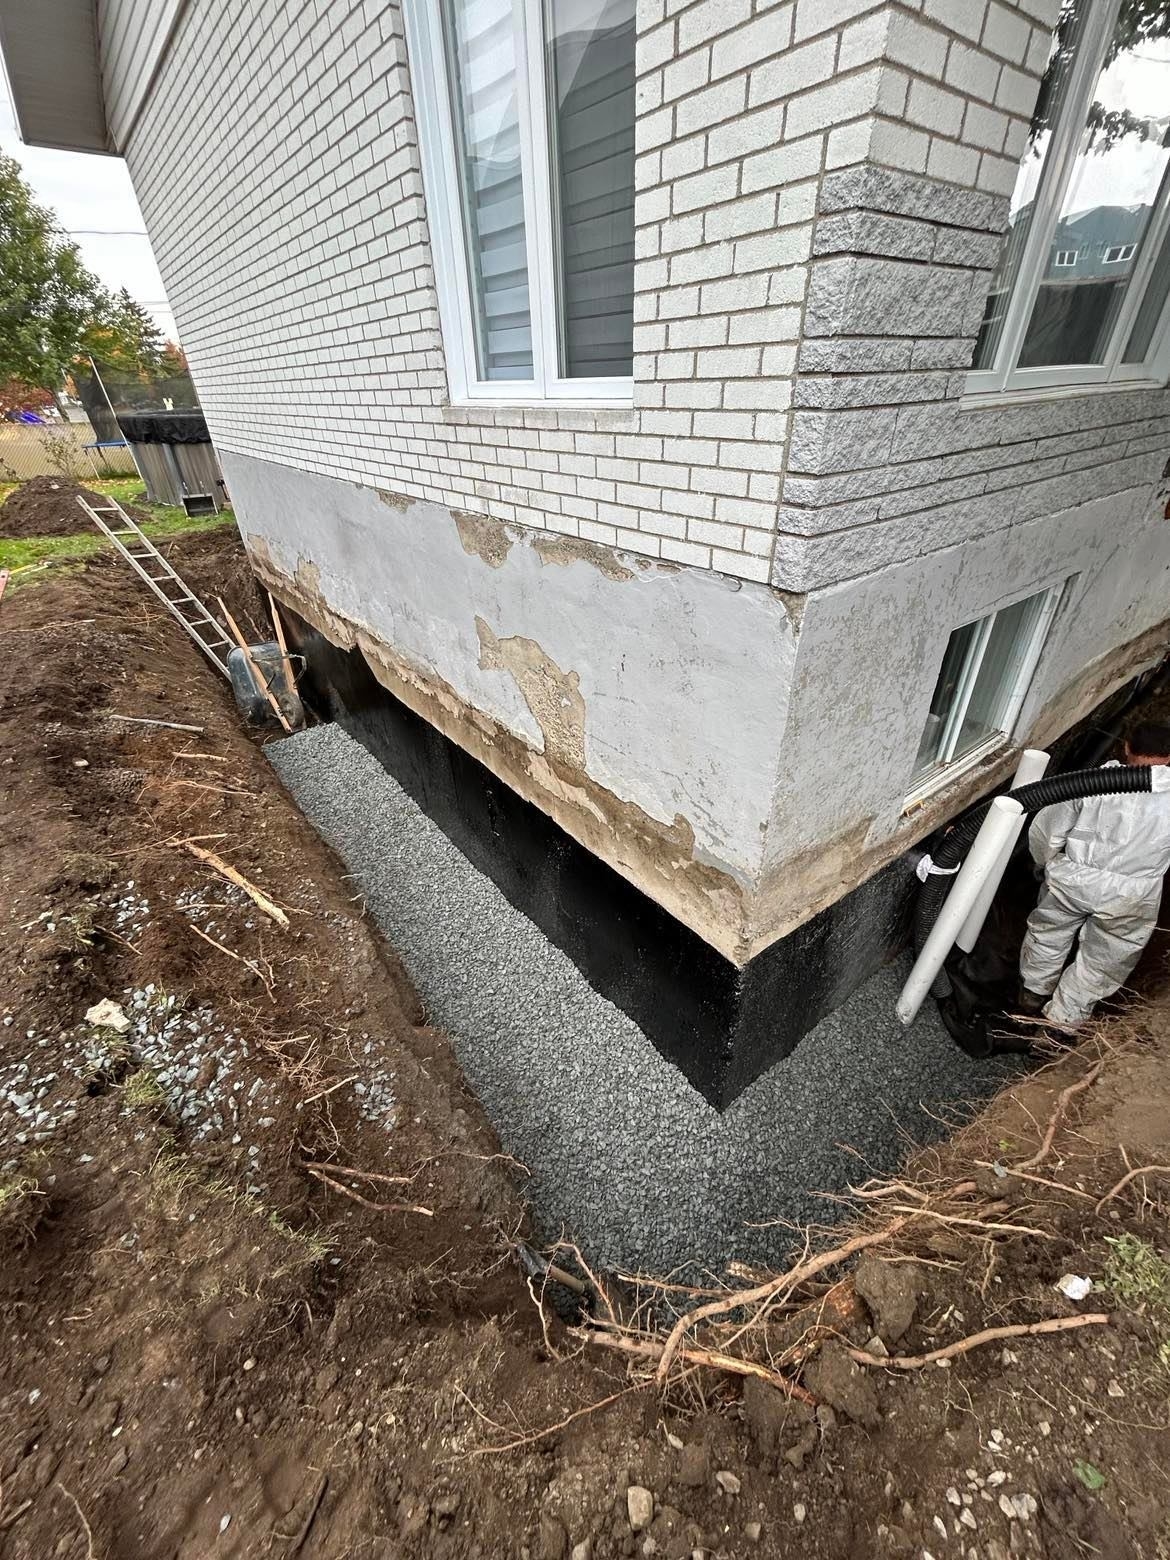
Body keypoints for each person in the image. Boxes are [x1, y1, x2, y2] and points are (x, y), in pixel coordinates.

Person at [1018, 723, 1170, 1027]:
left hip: (1072, 881)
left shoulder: (1094, 782)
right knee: (1105, 958)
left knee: (1048, 934)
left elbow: (1048, 830)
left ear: (1127, 747)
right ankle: (1062, 1022)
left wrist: (1042, 863)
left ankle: (1032, 994)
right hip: (1132, 896)